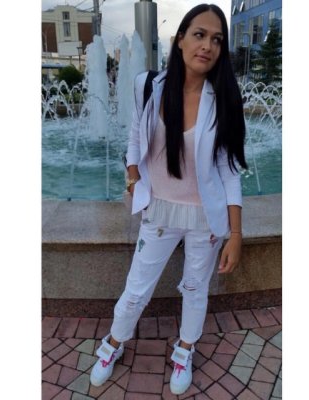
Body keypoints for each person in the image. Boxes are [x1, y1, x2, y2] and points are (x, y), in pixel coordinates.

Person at [90, 3, 248, 395]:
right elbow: (134, 137)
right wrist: (133, 177)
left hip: (205, 219)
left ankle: (185, 349)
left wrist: (235, 234)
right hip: (159, 211)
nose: (207, 46)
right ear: (180, 40)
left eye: (217, 40)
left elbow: (229, 171)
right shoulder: (148, 85)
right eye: (199, 35)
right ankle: (113, 342)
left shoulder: (223, 100)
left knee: (195, 288)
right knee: (137, 288)